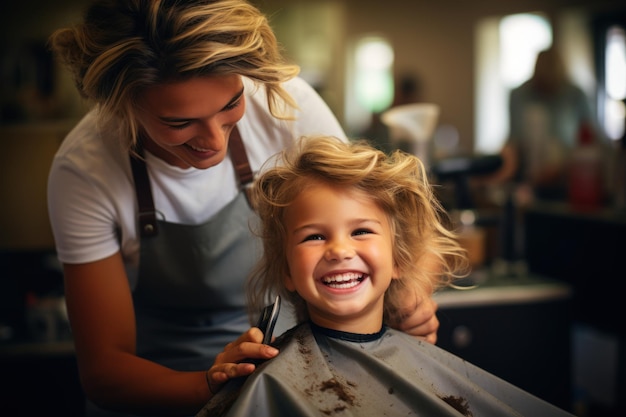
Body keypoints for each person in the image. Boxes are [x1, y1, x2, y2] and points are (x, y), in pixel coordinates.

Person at [46, 1, 439, 416]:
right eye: (180, 123)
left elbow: (381, 228)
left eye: (231, 106)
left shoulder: (283, 104)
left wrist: (410, 293)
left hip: (282, 372)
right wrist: (217, 386)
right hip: (155, 387)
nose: (213, 141)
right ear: (121, 103)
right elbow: (105, 372)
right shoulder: (85, 169)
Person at [196, 135, 575, 417]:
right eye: (315, 236)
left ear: (399, 260)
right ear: (287, 273)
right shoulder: (270, 381)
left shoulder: (428, 365)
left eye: (360, 231)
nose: (340, 250)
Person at [495, 47, 600, 201]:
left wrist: (564, 165)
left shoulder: (575, 95)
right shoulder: (520, 95)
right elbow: (513, 139)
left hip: (567, 180)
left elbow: (591, 138)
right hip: (527, 178)